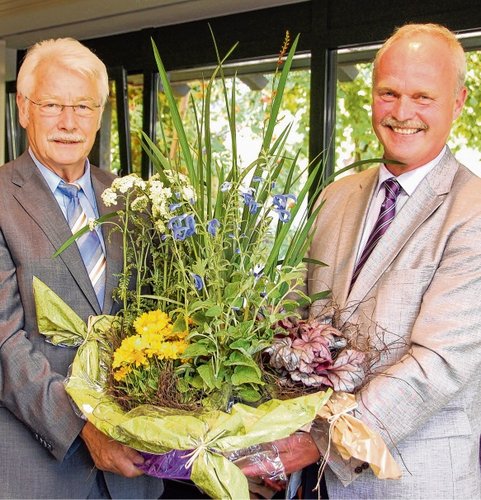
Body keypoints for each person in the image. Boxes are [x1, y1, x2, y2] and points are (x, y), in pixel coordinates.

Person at [242, 23, 481, 499]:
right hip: (310, 483)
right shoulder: (335, 196)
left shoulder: (472, 210)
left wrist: (318, 439)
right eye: (388, 93)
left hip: (412, 482)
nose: (402, 113)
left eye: (423, 97)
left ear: (458, 101)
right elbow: (290, 310)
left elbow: (440, 364)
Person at [0, 38, 163, 498]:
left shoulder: (134, 200)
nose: (69, 123)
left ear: (99, 113)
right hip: (37, 472)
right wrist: (83, 430)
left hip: (136, 473)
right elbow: (4, 346)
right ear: (24, 108)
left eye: (84, 106)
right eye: (52, 104)